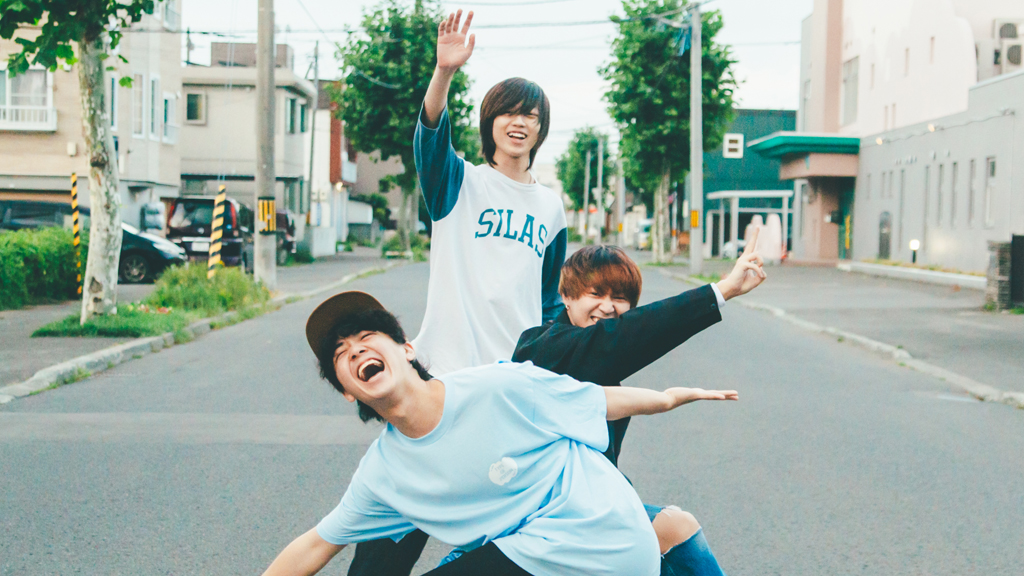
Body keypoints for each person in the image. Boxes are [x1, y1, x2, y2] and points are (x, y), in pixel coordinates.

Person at [260, 292, 738, 576]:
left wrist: (668, 398)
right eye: (340, 354)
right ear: (348, 391)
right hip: (533, 556)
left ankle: (671, 530)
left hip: (603, 538)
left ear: (406, 349)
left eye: (367, 338)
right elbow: (316, 545)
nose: (355, 350)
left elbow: (597, 399)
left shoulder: (496, 386)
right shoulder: (383, 475)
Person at [511, 234, 767, 575]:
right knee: (675, 527)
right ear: (567, 297)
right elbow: (621, 338)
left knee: (664, 538)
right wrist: (721, 291)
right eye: (596, 293)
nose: (608, 307)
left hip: (585, 505)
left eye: (619, 298)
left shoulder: (593, 352)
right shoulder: (541, 346)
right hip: (539, 512)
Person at [411, 9, 567, 377]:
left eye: (530, 115)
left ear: (541, 128)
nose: (519, 122)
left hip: (516, 372)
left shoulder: (551, 207)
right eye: (507, 113)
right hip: (447, 369)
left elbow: (550, 299)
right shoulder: (458, 182)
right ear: (490, 122)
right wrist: (444, 72)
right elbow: (430, 136)